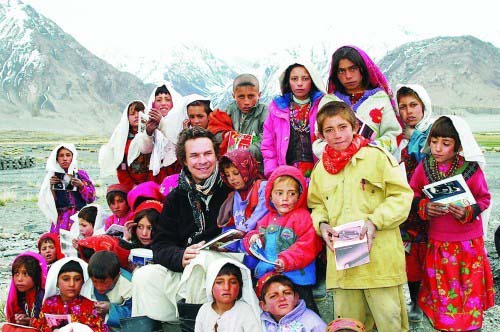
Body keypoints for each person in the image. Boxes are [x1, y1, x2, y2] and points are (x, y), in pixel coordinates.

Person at [307, 101, 413, 331]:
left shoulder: (377, 158)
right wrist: (322, 225)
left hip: (379, 262)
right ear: (321, 135)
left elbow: (402, 196)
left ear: (355, 127)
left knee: (390, 323)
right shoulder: (321, 170)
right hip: (345, 266)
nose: (337, 135)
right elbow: (316, 205)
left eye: (342, 127)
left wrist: (375, 221)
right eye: (329, 130)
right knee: (347, 325)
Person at [131, 127, 232, 322]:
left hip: (222, 269)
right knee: (144, 277)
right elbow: (160, 245)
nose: (202, 161)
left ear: (216, 155)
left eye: (207, 153)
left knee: (199, 262)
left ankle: (198, 325)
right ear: (184, 161)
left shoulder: (230, 189)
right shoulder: (176, 198)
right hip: (186, 268)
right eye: (194, 155)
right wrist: (180, 256)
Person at [409, 115, 494, 331]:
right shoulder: (425, 167)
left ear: (458, 146)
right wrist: (424, 206)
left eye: (445, 144)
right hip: (439, 242)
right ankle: (445, 326)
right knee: (443, 289)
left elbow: (484, 198)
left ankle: (470, 327)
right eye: (434, 141)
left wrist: (468, 210)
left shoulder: (471, 169)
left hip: (468, 245)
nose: (437, 148)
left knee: (468, 290)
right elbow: (411, 192)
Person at [243, 165, 322, 313]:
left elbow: (308, 246)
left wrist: (286, 260)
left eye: (291, 194)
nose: (285, 199)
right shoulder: (266, 219)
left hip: (297, 279)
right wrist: (252, 240)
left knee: (304, 313)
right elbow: (253, 236)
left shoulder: (302, 217)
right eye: (279, 193)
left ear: (300, 195)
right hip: (270, 278)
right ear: (270, 195)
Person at [313, 46, 402, 158]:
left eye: (353, 68)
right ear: (336, 74)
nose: (348, 76)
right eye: (341, 71)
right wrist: (342, 151)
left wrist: (368, 148)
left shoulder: (379, 99)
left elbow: (393, 135)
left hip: (373, 165)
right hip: (337, 169)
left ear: (363, 69)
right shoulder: (328, 101)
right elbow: (318, 139)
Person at [394, 84, 434, 322]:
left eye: (413, 105)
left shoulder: (434, 132)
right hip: (408, 206)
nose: (408, 111)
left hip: (431, 205)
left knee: (433, 253)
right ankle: (416, 302)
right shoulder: (398, 137)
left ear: (424, 106)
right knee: (411, 255)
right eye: (403, 107)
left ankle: (434, 301)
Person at [261, 60, 325, 178]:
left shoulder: (322, 106)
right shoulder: (277, 109)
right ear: (288, 81)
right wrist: (273, 172)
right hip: (286, 173)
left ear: (313, 80)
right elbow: (268, 145)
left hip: (320, 172)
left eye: (305, 78)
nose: (299, 83)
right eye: (294, 79)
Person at [217, 149, 268, 268]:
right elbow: (233, 223)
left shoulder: (262, 187)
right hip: (242, 247)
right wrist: (224, 245)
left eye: (236, 173)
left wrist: (244, 229)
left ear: (247, 168)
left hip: (259, 241)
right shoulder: (235, 196)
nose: (232, 179)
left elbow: (261, 211)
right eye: (228, 175)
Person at [32, 257, 107, 331]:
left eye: (77, 279)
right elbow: (40, 326)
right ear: (57, 283)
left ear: (83, 283)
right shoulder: (49, 304)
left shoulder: (90, 306)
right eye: (66, 279)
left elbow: (101, 329)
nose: (72, 284)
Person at [38, 143, 96, 234]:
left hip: (80, 218)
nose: (65, 159)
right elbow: (49, 203)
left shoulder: (80, 174)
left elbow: (91, 198)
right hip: (61, 220)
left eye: (68, 155)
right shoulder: (52, 176)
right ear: (56, 158)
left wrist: (81, 186)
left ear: (73, 157)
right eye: (61, 156)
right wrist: (51, 188)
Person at [212, 74, 268, 164]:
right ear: (234, 96)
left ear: (259, 95)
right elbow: (215, 133)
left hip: (256, 166)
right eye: (241, 97)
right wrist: (225, 136)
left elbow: (266, 142)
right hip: (230, 167)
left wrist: (238, 148)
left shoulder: (265, 113)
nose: (246, 102)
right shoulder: (229, 111)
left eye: (251, 96)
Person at [194, 258, 261, 332]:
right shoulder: (204, 310)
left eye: (233, 282)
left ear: (240, 286)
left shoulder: (245, 311)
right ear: (210, 285)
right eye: (219, 282)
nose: (226, 287)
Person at [134, 84, 182, 184]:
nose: (163, 103)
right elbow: (144, 149)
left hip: (176, 167)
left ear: (173, 103)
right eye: (159, 100)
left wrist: (162, 123)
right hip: (157, 170)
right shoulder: (148, 121)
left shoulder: (180, 121)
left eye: (167, 100)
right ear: (153, 104)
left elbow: (178, 140)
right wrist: (148, 133)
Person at [98, 100, 151, 191]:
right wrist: (131, 186)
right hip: (131, 186)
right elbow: (121, 165)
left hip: (151, 184)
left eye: (140, 113)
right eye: (132, 114)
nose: (136, 116)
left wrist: (150, 185)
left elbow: (156, 162)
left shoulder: (152, 136)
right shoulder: (122, 140)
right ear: (127, 117)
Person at [258, 273, 326, 332]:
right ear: (263, 305)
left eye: (287, 293)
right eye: (273, 296)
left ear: (296, 298)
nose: (282, 298)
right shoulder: (261, 323)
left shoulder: (311, 321)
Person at [88, 251, 133, 330]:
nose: (99, 287)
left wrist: (110, 309)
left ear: (117, 276)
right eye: (94, 281)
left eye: (104, 283)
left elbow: (134, 316)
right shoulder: (87, 279)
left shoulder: (129, 285)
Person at [5, 252, 47, 327]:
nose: (19, 279)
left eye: (25, 274)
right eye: (16, 273)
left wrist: (31, 321)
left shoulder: (43, 297)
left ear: (36, 275)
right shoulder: (19, 295)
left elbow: (48, 324)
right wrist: (22, 317)